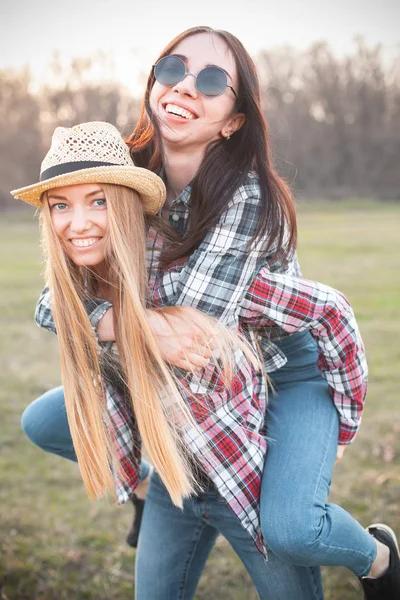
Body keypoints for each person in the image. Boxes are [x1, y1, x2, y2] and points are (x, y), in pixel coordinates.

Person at [15, 23, 400, 599]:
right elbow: (59, 297)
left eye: (212, 81)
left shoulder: (249, 196)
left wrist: (114, 316)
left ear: (233, 119)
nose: (185, 87)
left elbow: (189, 324)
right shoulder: (121, 174)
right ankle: (159, 483)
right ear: (153, 85)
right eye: (173, 69)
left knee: (290, 527)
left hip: (276, 370)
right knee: (48, 420)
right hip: (180, 388)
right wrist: (110, 318)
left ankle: (380, 559)